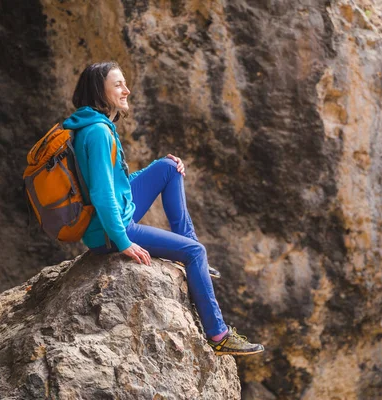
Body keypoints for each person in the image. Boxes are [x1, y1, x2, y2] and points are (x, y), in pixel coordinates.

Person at [63, 61, 264, 356]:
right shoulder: (97, 132)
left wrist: (161, 168)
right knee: (196, 253)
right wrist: (123, 241)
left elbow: (114, 185)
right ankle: (218, 336)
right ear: (99, 91)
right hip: (108, 230)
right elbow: (102, 194)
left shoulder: (92, 124)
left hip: (113, 216)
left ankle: (191, 253)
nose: (126, 90)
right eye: (118, 84)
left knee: (169, 168)